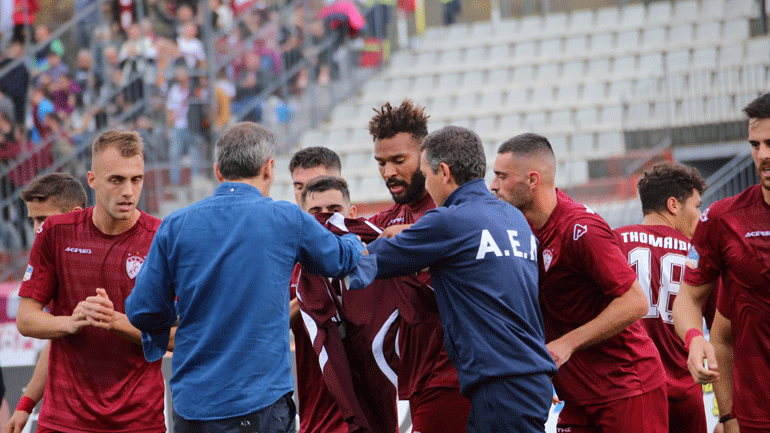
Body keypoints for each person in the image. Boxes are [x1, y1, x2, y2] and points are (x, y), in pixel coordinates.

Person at [125, 122, 365, 432]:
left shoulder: (175, 225)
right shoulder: (286, 219)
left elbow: (142, 311)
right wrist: (355, 240)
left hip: (193, 406)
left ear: (218, 171)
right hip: (260, 404)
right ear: (269, 169)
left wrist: (178, 318)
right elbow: (340, 259)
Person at [349, 125, 557, 433]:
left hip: (499, 383)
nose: (426, 185)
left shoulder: (449, 221)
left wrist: (319, 247)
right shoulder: (513, 217)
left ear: (444, 172)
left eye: (426, 175)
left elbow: (364, 264)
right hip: (532, 378)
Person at [489, 133, 667, 433]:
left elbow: (636, 302)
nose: (493, 185)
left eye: (502, 176)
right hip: (575, 396)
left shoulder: (581, 229)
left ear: (532, 180)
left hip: (625, 389)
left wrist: (567, 344)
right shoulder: (521, 230)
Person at [15, 130, 170, 433]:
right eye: (116, 180)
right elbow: (26, 318)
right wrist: (69, 323)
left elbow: (181, 335)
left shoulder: (162, 239)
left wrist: (116, 322)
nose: (128, 191)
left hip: (138, 421)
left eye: (136, 179)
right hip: (64, 421)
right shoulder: (56, 232)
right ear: (92, 179)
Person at [366, 100, 472, 433]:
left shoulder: (452, 215)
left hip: (457, 375)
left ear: (425, 156)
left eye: (399, 161)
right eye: (381, 163)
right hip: (420, 377)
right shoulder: (385, 222)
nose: (388, 172)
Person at [672, 92, 770, 433]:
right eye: (756, 145)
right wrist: (693, 338)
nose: (763, 155)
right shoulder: (722, 220)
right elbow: (689, 299)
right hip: (757, 415)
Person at [294, 175, 399, 433]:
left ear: (351, 213)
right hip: (319, 418)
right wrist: (310, 301)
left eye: (334, 211)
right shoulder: (290, 268)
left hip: (378, 416)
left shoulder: (383, 259)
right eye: (316, 212)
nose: (326, 220)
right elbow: (267, 325)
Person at [614, 162, 708, 433]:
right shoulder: (698, 253)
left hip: (632, 392)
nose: (700, 215)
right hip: (686, 393)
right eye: (697, 206)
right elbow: (724, 329)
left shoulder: (613, 242)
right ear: (673, 205)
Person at [6, 173, 87, 433]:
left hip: (117, 411)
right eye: (33, 220)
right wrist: (26, 404)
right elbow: (58, 339)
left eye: (43, 219)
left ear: (75, 215)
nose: (36, 229)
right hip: (63, 411)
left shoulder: (106, 257)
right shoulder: (52, 258)